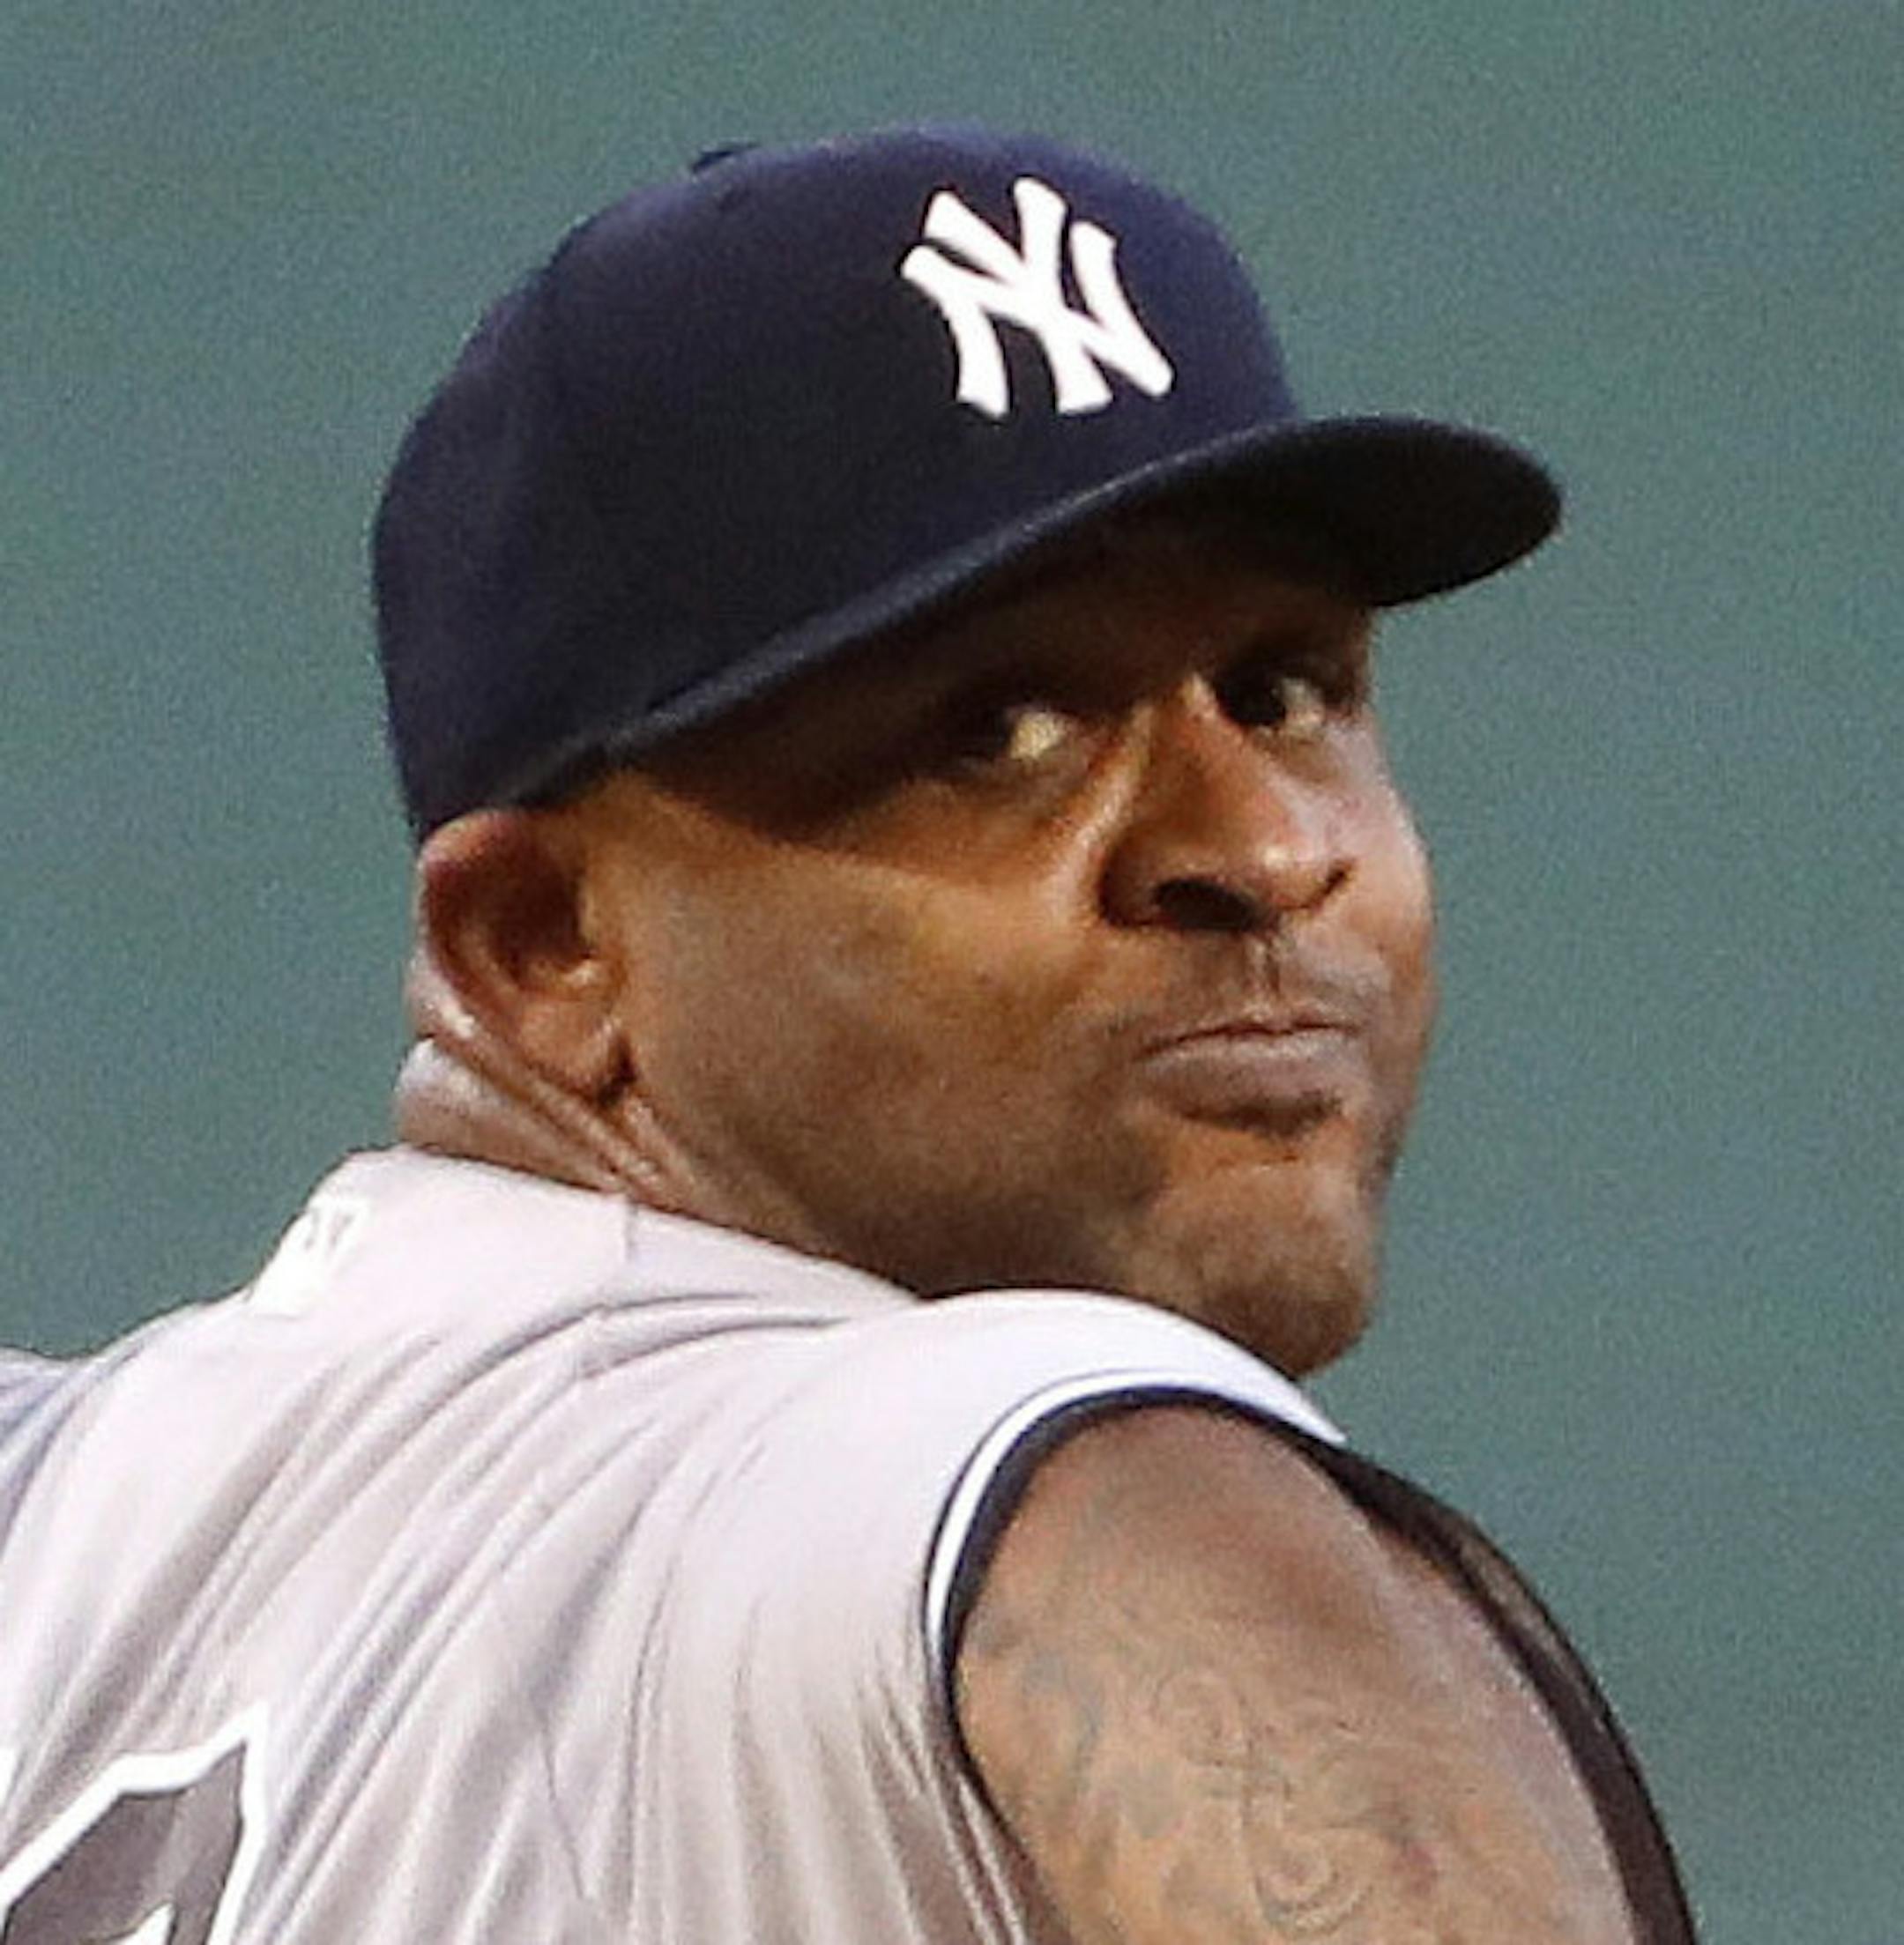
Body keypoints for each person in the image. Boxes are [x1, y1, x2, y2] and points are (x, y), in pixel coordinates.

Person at [0, 126, 1696, 1942]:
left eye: (1284, 688)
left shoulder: (46, 1509)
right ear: (544, 942)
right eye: (998, 735)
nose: (1269, 850)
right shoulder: (1071, 1481)